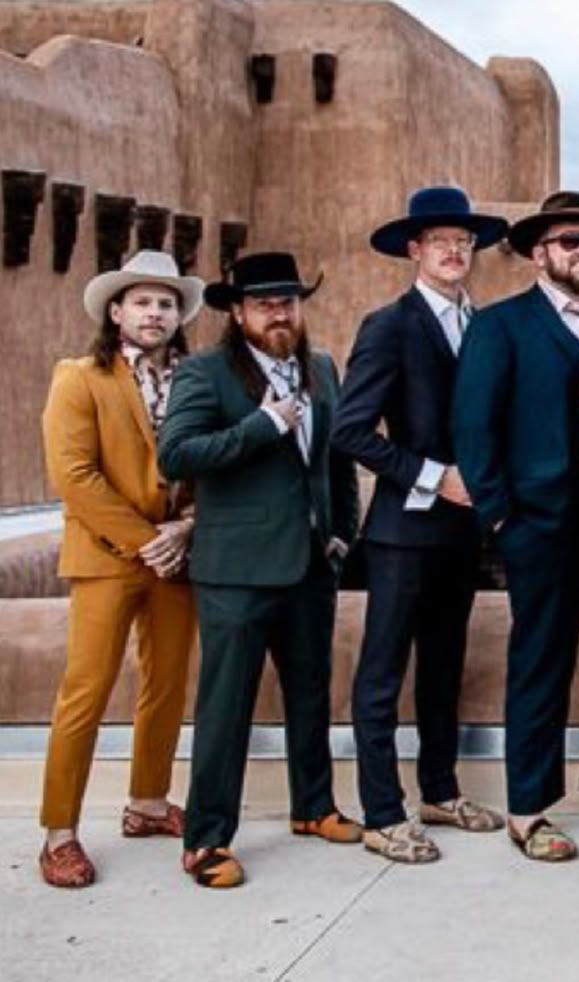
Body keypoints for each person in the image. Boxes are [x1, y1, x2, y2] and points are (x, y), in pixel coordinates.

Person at [158, 252, 361, 889]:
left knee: (310, 695)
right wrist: (262, 424)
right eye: (267, 303)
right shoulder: (204, 372)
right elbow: (178, 453)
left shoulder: (322, 367)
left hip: (309, 565)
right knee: (226, 708)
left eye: (290, 301)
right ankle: (206, 840)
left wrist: (340, 536)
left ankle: (314, 807)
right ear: (238, 312)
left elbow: (336, 460)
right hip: (236, 573)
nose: (281, 313)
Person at [332, 186, 508, 863]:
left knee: (444, 666)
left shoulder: (485, 324)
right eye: (441, 240)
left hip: (464, 534)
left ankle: (439, 789)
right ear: (415, 249)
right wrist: (436, 475)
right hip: (403, 532)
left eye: (464, 242)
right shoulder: (389, 324)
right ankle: (382, 813)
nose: (455, 250)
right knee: (382, 671)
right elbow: (350, 431)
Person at [452, 191, 579, 861]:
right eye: (571, 242)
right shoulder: (502, 326)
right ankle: (528, 808)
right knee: (541, 661)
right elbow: (473, 427)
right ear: (538, 255)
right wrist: (502, 518)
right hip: (539, 527)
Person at [39, 251, 203, 887]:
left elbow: (209, 465)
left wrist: (186, 530)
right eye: (142, 301)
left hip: (177, 555)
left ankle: (148, 802)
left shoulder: (196, 378)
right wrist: (148, 542)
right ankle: (59, 833)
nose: (155, 313)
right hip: (108, 558)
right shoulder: (79, 377)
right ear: (116, 311)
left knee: (167, 686)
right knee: (85, 692)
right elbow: (74, 477)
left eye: (165, 303)